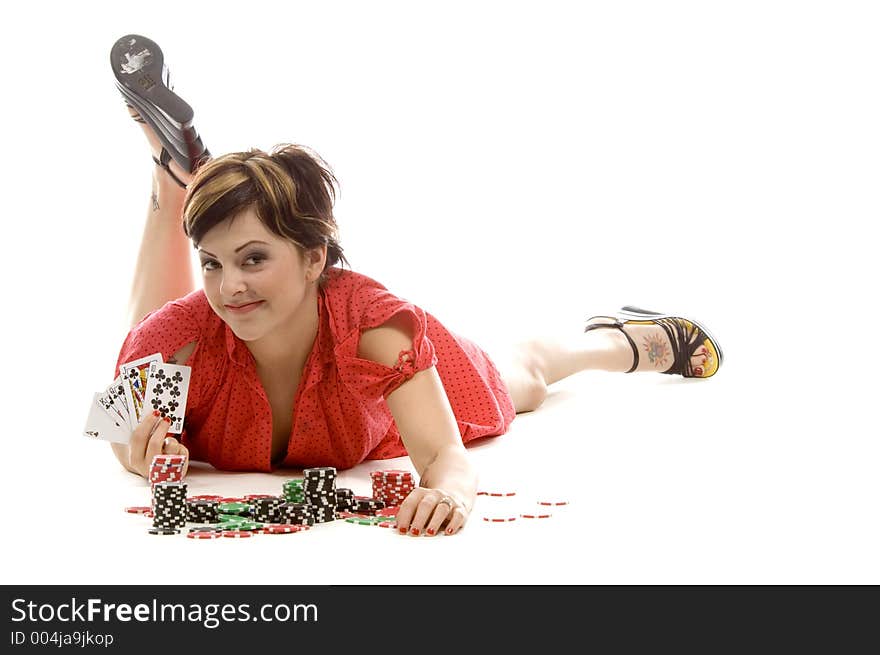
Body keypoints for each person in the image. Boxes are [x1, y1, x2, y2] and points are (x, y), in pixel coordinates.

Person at [108, 34, 723, 537]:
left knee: (524, 380)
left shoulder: (378, 326)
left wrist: (449, 494)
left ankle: (625, 343)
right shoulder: (172, 335)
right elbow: (117, 431)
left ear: (314, 258)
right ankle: (172, 187)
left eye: (254, 259)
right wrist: (134, 454)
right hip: (195, 351)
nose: (229, 285)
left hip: (386, 403)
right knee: (174, 331)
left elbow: (445, 457)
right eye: (210, 262)